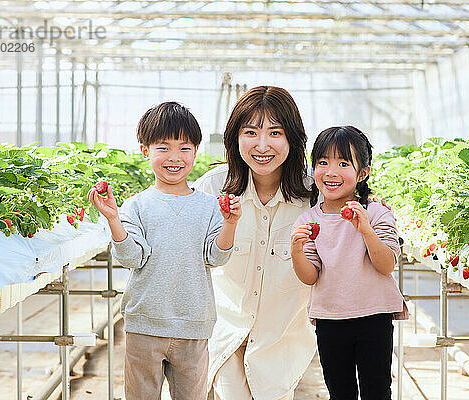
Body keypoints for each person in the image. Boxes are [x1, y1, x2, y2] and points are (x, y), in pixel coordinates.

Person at [88, 102, 241, 400]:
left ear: (196, 151)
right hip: (144, 325)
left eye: (184, 148)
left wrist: (230, 224)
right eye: (163, 148)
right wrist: (113, 220)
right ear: (145, 151)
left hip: (194, 327)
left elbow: (216, 256)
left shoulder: (210, 206)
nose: (175, 158)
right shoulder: (137, 206)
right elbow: (132, 257)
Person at [194, 86, 316, 400]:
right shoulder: (211, 188)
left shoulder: (314, 194)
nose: (262, 145)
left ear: (293, 138)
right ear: (235, 137)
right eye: (251, 132)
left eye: (275, 132)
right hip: (225, 338)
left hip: (285, 346)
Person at [290, 125, 408, 400]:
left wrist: (365, 229)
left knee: (377, 390)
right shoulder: (308, 220)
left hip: (374, 317)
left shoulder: (376, 213)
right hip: (330, 320)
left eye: (343, 163)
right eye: (323, 162)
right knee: (339, 391)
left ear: (362, 172)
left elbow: (387, 264)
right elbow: (309, 276)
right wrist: (296, 251)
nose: (331, 172)